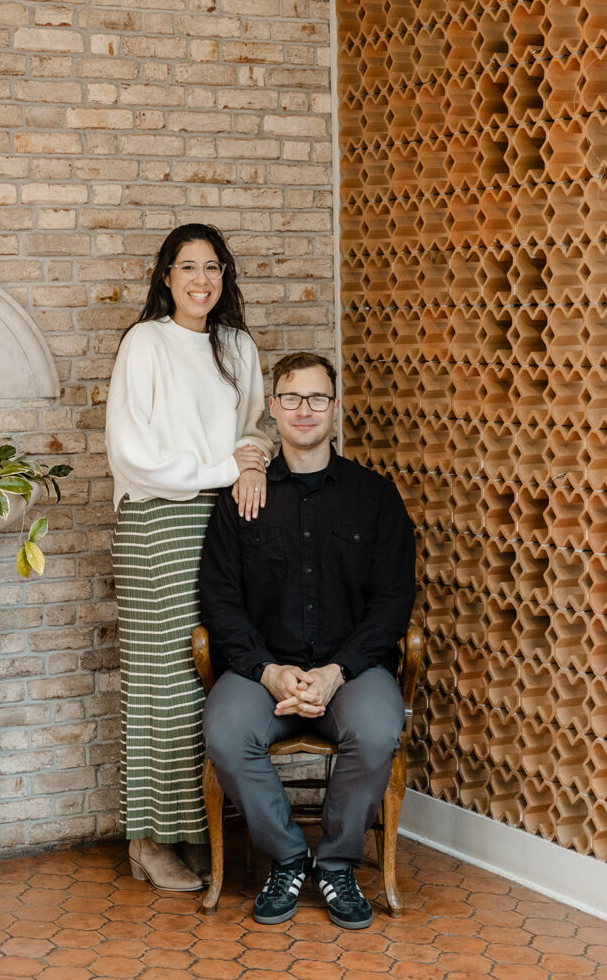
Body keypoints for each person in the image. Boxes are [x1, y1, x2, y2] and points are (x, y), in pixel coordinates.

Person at [199, 351, 415, 929]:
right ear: (272, 408)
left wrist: (335, 672)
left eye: (318, 397)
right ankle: (290, 858)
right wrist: (268, 671)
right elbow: (219, 601)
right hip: (261, 671)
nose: (304, 410)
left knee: (375, 731)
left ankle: (339, 864)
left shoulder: (375, 497)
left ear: (335, 408)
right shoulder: (239, 500)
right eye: (291, 398)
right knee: (225, 732)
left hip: (351, 671)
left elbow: (393, 601)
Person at [105, 223, 274, 892]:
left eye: (212, 267)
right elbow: (130, 452)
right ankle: (149, 840)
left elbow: (254, 428)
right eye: (186, 267)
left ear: (225, 275)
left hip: (228, 519)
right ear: (166, 277)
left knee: (218, 669)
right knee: (166, 680)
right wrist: (222, 464)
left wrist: (253, 459)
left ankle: (201, 829)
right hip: (157, 519)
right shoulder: (144, 342)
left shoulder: (237, 346)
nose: (200, 279)